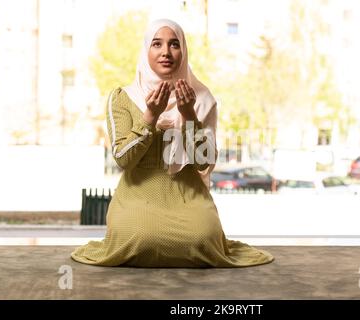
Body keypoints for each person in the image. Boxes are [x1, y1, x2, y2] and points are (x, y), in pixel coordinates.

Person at [70, 19, 274, 268]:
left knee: (202, 238)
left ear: (183, 51)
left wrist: (189, 115)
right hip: (137, 195)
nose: (166, 52)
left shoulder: (202, 97)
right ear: (147, 51)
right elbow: (123, 159)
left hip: (188, 194)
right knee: (138, 236)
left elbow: (204, 162)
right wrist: (150, 117)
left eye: (174, 44)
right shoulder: (122, 97)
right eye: (157, 44)